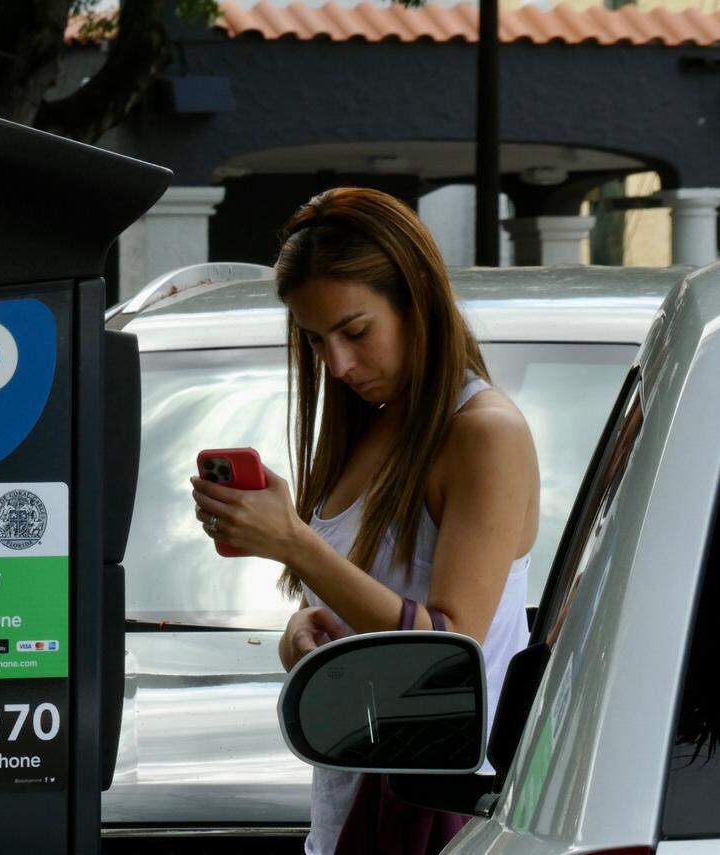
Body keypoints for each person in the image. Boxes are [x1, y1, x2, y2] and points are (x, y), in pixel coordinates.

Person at [190, 187, 537, 854]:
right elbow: (370, 613)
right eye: (317, 341)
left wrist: (295, 543)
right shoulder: (376, 425)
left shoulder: (484, 431)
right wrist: (309, 642)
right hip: (356, 799)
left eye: (355, 331)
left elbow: (449, 646)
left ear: (416, 299)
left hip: (441, 810)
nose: (339, 364)